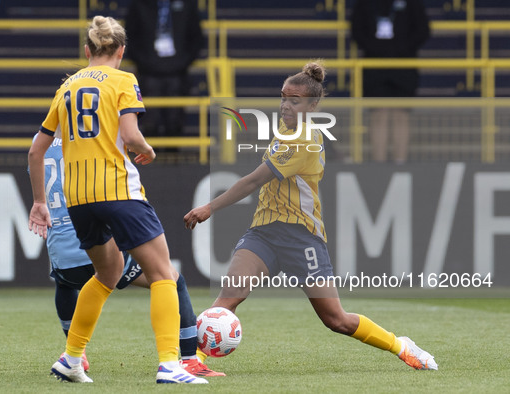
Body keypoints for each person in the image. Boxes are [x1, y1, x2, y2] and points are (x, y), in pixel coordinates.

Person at [184, 62, 438, 371]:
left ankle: (402, 346)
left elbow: (253, 180)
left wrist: (210, 207)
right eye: (283, 98)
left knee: (336, 320)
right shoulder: (285, 133)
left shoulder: (305, 139)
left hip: (301, 238)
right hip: (263, 234)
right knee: (228, 299)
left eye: (295, 100)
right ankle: (194, 363)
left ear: (313, 105)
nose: (285, 105)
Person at [28, 16, 207, 384]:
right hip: (118, 191)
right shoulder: (124, 80)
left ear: (87, 50)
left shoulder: (67, 86)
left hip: (78, 198)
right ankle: (171, 365)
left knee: (106, 274)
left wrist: (39, 202)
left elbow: (36, 150)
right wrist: (148, 149)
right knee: (163, 276)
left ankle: (71, 358)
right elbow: (131, 133)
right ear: (122, 51)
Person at [41, 136, 224, 377]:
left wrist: (37, 202)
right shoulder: (93, 138)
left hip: (59, 247)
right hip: (91, 236)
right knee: (170, 279)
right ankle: (188, 360)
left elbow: (35, 158)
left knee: (65, 282)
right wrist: (145, 149)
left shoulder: (40, 143)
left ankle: (74, 353)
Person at [350, 0, 431, 163]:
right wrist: (376, 49)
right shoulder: (365, 4)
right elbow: (357, 31)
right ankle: (379, 164)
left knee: (400, 114)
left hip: (404, 66)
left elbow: (422, 30)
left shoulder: (412, 3)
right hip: (373, 66)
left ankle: (400, 163)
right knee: (379, 114)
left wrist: (401, 49)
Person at [124, 0, 204, 141]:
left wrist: (182, 62)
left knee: (175, 118)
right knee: (149, 118)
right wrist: (144, 62)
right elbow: (129, 37)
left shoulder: (187, 4)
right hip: (147, 70)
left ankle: (173, 155)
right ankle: (149, 157)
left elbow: (196, 37)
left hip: (178, 70)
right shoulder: (139, 4)